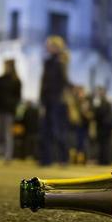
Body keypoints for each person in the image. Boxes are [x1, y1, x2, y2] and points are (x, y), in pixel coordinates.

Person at [39, 36, 70, 166]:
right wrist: (42, 98)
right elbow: (44, 82)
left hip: (57, 101)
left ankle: (63, 158)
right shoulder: (48, 61)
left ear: (56, 47)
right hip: (48, 99)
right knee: (46, 130)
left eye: (50, 45)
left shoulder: (60, 61)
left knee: (57, 130)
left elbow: (62, 81)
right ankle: (46, 159)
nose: (47, 47)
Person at [0, 59, 21, 162]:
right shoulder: (0, 79)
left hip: (8, 110)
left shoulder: (16, 81)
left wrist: (12, 104)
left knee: (7, 133)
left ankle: (7, 156)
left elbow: (18, 97)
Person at [92, 87, 112, 165]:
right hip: (107, 126)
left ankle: (104, 160)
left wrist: (95, 112)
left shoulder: (102, 102)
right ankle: (105, 160)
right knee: (106, 144)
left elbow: (99, 114)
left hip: (103, 126)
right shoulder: (108, 102)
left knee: (103, 144)